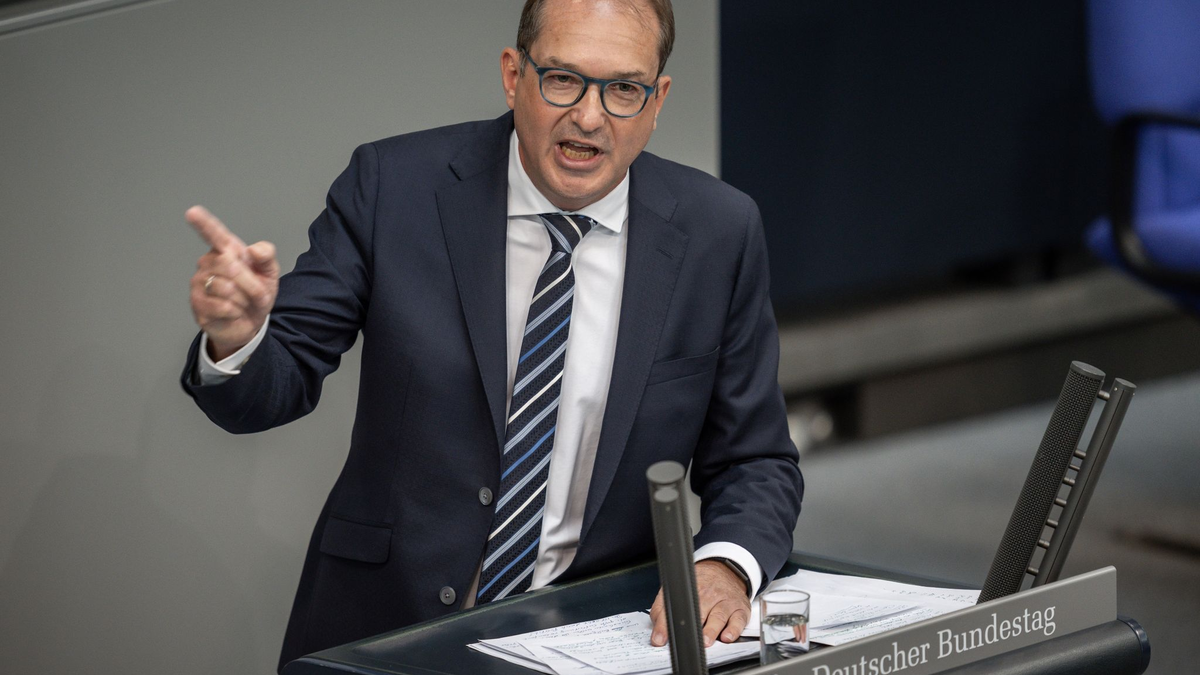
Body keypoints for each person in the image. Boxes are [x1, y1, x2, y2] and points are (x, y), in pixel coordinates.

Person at [181, 0, 803, 669]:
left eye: (624, 89)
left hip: (594, 639)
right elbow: (272, 387)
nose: (589, 117)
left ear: (658, 101)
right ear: (514, 75)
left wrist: (725, 565)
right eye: (563, 79)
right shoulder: (395, 188)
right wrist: (240, 339)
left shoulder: (719, 232)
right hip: (388, 632)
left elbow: (754, 461)